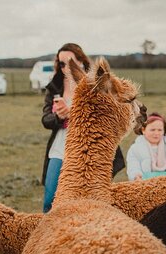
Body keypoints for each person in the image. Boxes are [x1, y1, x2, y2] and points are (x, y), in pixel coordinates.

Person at [41, 43, 125, 212]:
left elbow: (106, 112)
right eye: (61, 63)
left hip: (89, 145)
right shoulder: (54, 87)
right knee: (50, 197)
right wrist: (59, 116)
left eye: (69, 62)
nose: (65, 68)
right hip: (61, 146)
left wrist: (74, 113)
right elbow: (45, 120)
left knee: (90, 196)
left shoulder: (93, 84)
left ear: (80, 61)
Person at [126, 112, 166, 180]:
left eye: (160, 130)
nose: (156, 133)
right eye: (152, 130)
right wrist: (136, 176)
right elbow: (133, 167)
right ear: (143, 130)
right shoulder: (135, 149)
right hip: (145, 184)